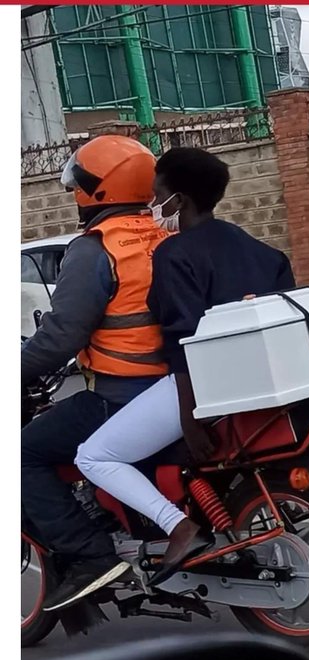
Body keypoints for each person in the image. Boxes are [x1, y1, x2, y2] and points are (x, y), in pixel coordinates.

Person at [75, 147, 296, 592]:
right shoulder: (258, 248)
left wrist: (190, 419)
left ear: (179, 200)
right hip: (265, 383)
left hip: (207, 388)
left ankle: (178, 527)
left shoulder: (175, 254)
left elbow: (183, 342)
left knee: (93, 455)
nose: (153, 207)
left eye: (157, 197)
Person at [21, 135, 189, 613]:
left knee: (21, 453)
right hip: (177, 384)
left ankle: (90, 557)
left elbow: (58, 337)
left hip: (123, 394)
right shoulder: (165, 235)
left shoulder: (96, 250)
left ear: (94, 192)